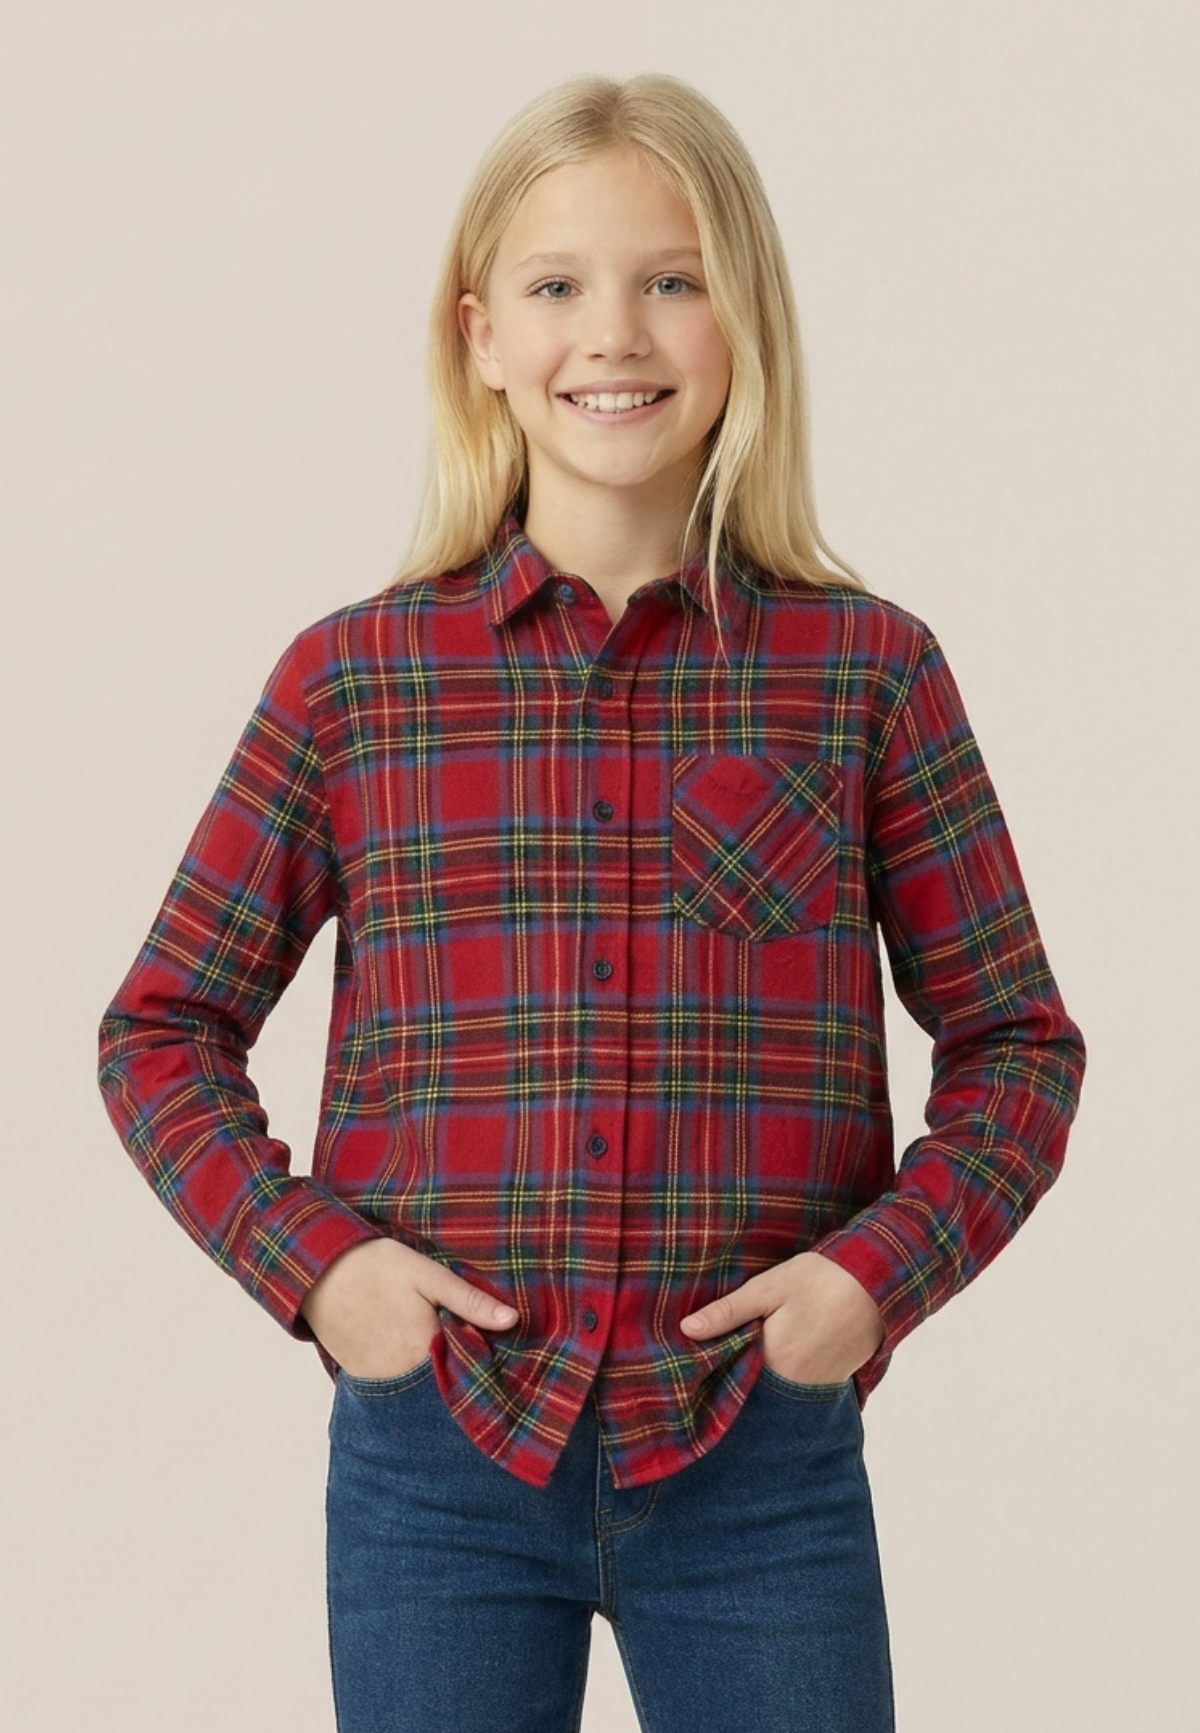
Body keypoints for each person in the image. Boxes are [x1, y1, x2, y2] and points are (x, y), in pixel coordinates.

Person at [97, 71, 1086, 1733]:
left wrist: (874, 1281)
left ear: (744, 319)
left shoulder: (866, 674)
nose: (613, 334)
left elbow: (1018, 1046)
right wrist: (322, 1273)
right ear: (482, 335)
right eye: (558, 288)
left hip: (759, 1469)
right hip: (440, 1472)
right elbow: (160, 1030)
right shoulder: (358, 684)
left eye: (673, 279)